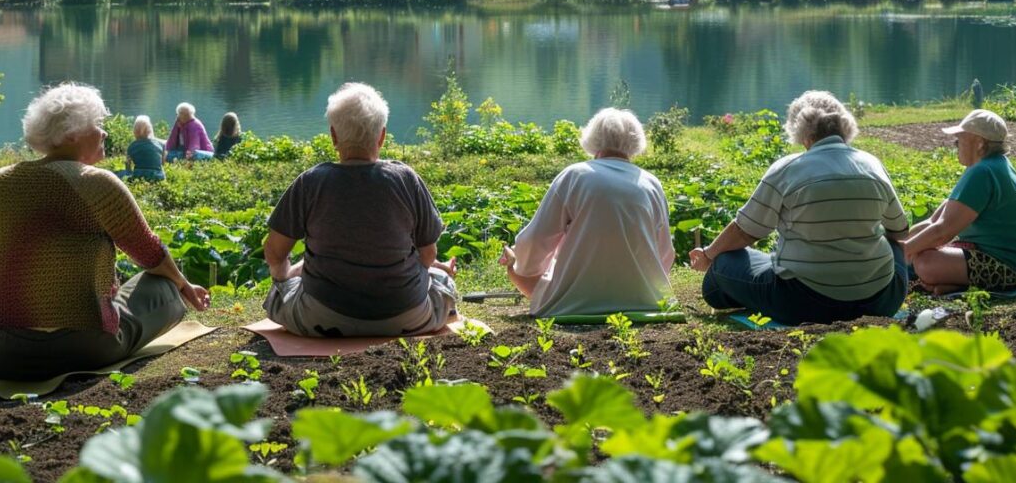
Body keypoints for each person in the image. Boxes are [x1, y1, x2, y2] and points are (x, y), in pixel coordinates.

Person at [0, 83, 209, 379]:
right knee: (164, 287)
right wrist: (183, 285)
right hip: (88, 347)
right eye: (98, 125)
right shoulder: (99, 183)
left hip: (0, 354)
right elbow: (151, 256)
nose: (104, 133)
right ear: (71, 134)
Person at [689, 91, 909, 325]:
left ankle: (734, 294)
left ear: (802, 134)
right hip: (881, 302)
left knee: (723, 265)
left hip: (803, 303)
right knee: (893, 245)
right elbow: (900, 232)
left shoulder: (788, 168)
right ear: (844, 126)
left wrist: (709, 255)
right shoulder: (871, 164)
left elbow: (745, 231)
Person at [262, 82, 457, 337]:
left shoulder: (310, 182)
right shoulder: (406, 179)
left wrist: (286, 278)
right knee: (444, 283)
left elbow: (275, 254)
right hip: (409, 318)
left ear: (333, 136)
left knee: (277, 294)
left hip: (320, 319)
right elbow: (428, 257)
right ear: (382, 136)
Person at [498, 108, 675, 316]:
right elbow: (665, 253)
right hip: (647, 301)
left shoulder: (575, 175)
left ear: (593, 139)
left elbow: (536, 240)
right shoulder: (651, 183)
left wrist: (518, 263)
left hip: (573, 304)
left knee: (518, 268)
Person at [904, 109, 1016, 294]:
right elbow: (933, 222)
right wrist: (899, 243)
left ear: (979, 143)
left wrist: (900, 253)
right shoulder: (991, 166)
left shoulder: (982, 172)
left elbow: (942, 233)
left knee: (925, 262)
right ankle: (955, 285)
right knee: (922, 252)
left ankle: (956, 284)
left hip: (1012, 269)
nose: (955, 144)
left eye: (960, 138)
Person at [117, 115, 165, 181]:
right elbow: (162, 163)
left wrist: (128, 172)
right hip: (158, 177)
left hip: (138, 176)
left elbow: (128, 163)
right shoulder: (160, 144)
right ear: (150, 129)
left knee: (119, 173)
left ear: (135, 131)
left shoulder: (132, 146)